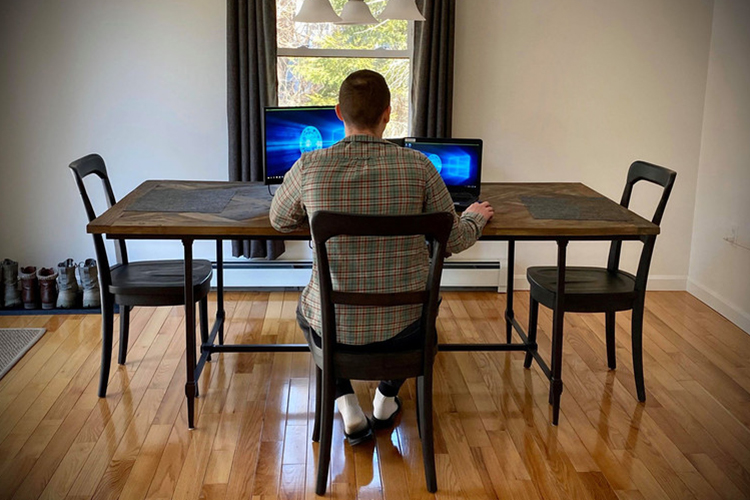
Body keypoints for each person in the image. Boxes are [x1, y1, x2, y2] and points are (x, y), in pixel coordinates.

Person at [270, 69, 494, 445]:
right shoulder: (419, 166)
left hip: (334, 325)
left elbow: (278, 220)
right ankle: (386, 397)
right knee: (428, 314)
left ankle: (345, 404)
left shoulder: (310, 166)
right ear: (388, 113)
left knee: (306, 313)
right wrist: (474, 216)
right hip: (403, 327)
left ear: (339, 113)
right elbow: (452, 238)